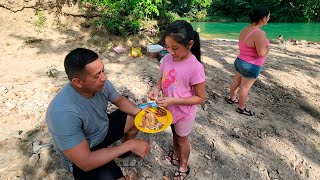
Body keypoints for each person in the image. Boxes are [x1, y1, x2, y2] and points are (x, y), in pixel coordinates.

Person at [46, 48, 150, 180]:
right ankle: (125, 148)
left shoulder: (101, 84)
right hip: (86, 151)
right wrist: (130, 145)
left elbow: (118, 100)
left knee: (138, 117)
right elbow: (86, 162)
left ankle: (124, 152)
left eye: (103, 71)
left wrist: (142, 113)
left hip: (102, 129)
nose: (104, 78)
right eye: (97, 75)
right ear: (77, 82)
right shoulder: (62, 113)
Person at [148, 20, 206, 180]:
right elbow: (162, 78)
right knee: (174, 134)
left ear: (190, 44)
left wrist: (173, 100)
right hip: (169, 110)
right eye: (167, 47)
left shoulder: (195, 67)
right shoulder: (166, 59)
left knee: (182, 140)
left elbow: (201, 98)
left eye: (175, 48)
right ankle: (175, 154)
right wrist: (156, 89)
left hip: (184, 113)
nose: (170, 52)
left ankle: (183, 165)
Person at [226, 6, 271, 116]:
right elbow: (261, 53)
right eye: (269, 16)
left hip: (240, 61)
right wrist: (268, 48)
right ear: (264, 18)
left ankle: (232, 99)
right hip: (251, 65)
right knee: (245, 87)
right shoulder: (260, 33)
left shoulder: (245, 29)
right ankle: (241, 108)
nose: (269, 18)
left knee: (236, 82)